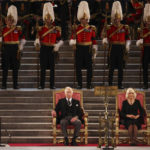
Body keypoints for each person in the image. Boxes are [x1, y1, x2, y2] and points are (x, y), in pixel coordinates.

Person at [34, 2, 63, 89]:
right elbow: (37, 39)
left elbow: (60, 39)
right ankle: (41, 85)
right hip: (44, 48)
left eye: (49, 19)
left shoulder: (56, 29)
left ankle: (52, 85)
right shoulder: (41, 29)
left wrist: (57, 45)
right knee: (43, 68)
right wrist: (37, 43)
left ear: (52, 19)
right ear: (44, 19)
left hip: (52, 49)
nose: (48, 20)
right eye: (46, 19)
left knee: (52, 69)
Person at [102, 1, 131, 89]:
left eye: (118, 18)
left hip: (121, 48)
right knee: (111, 67)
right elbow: (106, 37)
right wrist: (105, 41)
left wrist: (127, 46)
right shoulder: (109, 28)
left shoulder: (124, 27)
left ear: (120, 18)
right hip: (112, 48)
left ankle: (120, 84)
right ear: (113, 18)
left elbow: (128, 38)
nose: (116, 20)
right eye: (115, 18)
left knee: (121, 67)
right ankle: (110, 83)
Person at [69, 1, 98, 89]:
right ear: (80, 19)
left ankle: (89, 84)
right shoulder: (76, 28)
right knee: (78, 67)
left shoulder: (91, 28)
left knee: (89, 67)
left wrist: (94, 48)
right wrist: (73, 42)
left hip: (88, 49)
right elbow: (72, 38)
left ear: (87, 19)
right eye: (82, 18)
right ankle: (79, 84)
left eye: (85, 19)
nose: (84, 20)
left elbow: (94, 40)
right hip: (79, 48)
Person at [0, 5, 26, 89]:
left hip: (15, 49)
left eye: (11, 20)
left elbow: (23, 38)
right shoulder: (2, 29)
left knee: (15, 68)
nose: (10, 22)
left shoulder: (17, 29)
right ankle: (4, 84)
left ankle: (15, 84)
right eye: (8, 20)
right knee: (5, 68)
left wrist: (21, 46)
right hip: (6, 49)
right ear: (6, 21)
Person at [136, 4, 150, 89]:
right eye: (148, 21)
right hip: (146, 49)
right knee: (145, 67)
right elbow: (139, 39)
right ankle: (145, 84)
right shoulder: (143, 30)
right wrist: (140, 43)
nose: (149, 22)